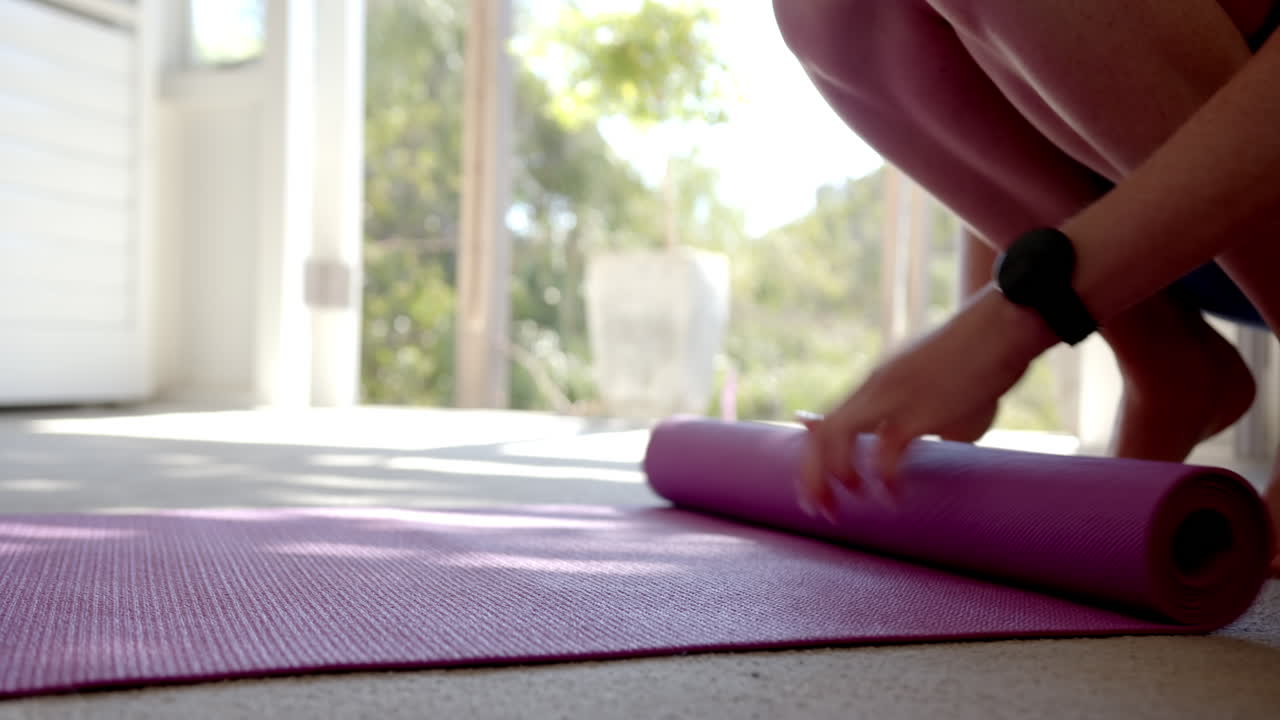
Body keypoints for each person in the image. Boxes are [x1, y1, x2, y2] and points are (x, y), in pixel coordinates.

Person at [772, 0, 1280, 571]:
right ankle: (1166, 362)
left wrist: (1012, 319)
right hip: (1176, 224)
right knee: (822, 10)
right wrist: (976, 324)